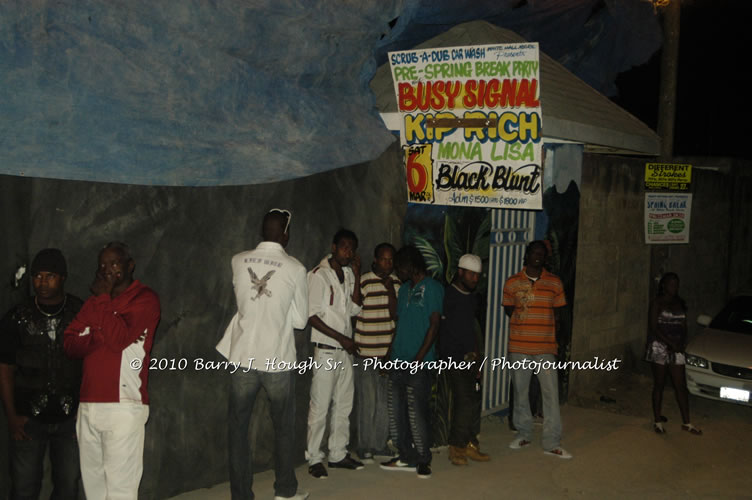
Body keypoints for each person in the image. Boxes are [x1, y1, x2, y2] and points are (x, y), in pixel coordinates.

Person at [216, 208, 310, 500]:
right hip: (276, 357)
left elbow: (244, 300)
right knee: (282, 427)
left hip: (243, 354)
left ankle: (241, 495)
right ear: (285, 234)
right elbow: (300, 321)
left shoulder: (238, 260)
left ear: (262, 232)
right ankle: (284, 491)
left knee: (238, 428)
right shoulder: (295, 268)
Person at [64, 242, 160, 500]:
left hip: (123, 405)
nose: (107, 270)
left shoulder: (145, 298)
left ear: (130, 265)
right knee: (94, 489)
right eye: (102, 265)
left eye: (114, 263)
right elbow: (70, 343)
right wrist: (98, 335)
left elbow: (118, 339)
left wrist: (103, 301)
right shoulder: (95, 302)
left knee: (121, 490)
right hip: (88, 404)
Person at [0, 248, 83, 499]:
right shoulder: (17, 317)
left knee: (68, 487)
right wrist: (12, 415)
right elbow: (4, 368)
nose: (42, 282)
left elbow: (91, 363)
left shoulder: (80, 314)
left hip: (70, 419)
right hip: (28, 420)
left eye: (50, 276)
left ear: (63, 277)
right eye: (37, 275)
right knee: (24, 489)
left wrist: (84, 413)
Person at [502, 240, 571, 459]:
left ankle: (552, 442)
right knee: (521, 393)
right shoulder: (512, 282)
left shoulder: (555, 283)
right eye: (534, 253)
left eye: (542, 253)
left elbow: (559, 315)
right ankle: (524, 434)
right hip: (519, 347)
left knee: (550, 395)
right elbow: (508, 310)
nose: (538, 256)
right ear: (527, 255)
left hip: (545, 349)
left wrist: (552, 342)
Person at [380, 245, 443, 479]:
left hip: (420, 362)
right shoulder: (404, 289)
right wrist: (389, 352)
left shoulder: (433, 288)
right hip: (398, 358)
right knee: (396, 411)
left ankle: (423, 458)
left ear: (410, 265)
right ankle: (405, 455)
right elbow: (400, 322)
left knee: (417, 412)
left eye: (399, 267)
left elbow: (435, 325)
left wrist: (418, 358)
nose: (397, 272)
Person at [306, 229, 364, 479]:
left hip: (345, 352)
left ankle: (338, 453)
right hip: (328, 351)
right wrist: (343, 339)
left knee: (343, 404)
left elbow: (355, 308)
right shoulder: (318, 275)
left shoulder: (350, 273)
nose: (348, 252)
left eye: (352, 248)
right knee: (320, 408)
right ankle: (314, 457)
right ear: (333, 247)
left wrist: (358, 274)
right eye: (344, 247)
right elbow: (311, 316)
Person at [438, 253, 490, 466]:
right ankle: (456, 447)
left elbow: (471, 329)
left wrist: (476, 357)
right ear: (460, 272)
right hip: (453, 357)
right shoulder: (448, 295)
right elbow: (442, 330)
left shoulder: (473, 297)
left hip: (471, 358)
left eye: (477, 275)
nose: (475, 279)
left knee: (473, 400)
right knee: (464, 400)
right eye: (471, 275)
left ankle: (470, 443)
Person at [353, 243, 400, 462]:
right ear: (375, 259)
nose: (387, 264)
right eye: (384, 259)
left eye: (391, 260)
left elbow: (396, 316)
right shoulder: (364, 281)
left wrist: (391, 290)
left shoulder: (397, 283)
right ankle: (364, 446)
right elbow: (353, 312)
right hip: (365, 352)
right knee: (367, 401)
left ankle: (380, 444)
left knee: (384, 403)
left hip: (387, 354)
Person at [645, 272, 701, 435]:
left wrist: (681, 343)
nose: (674, 287)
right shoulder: (657, 303)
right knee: (659, 384)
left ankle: (687, 422)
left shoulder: (680, 303)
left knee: (680, 386)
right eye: (671, 284)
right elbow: (654, 327)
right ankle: (657, 421)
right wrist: (670, 343)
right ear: (664, 285)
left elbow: (684, 325)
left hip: (676, 347)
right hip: (659, 346)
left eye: (676, 284)